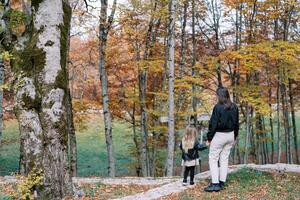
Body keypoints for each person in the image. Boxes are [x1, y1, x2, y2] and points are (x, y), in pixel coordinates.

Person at [204, 87, 239, 192]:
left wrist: (209, 138)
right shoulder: (234, 107)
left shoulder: (218, 107)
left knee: (213, 158)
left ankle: (215, 184)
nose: (216, 97)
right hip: (230, 135)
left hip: (219, 135)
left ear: (220, 96)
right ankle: (222, 182)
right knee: (224, 158)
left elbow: (213, 124)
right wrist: (235, 136)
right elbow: (236, 123)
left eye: (217, 95)